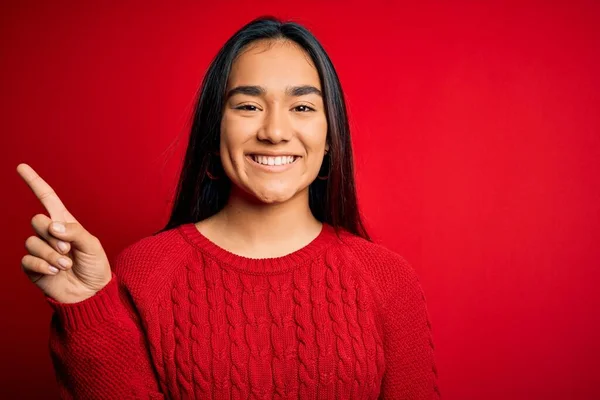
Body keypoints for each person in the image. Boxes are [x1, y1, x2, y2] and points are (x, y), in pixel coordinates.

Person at [17, 16, 439, 399]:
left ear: (330, 137)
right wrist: (86, 305)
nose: (275, 131)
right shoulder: (144, 272)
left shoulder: (387, 280)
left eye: (303, 107)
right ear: (215, 129)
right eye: (249, 106)